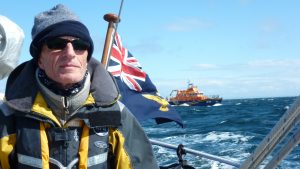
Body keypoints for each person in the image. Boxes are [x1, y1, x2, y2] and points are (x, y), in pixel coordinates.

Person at [0, 4, 159, 169]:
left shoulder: (116, 115)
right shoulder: (7, 117)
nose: (70, 53)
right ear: (40, 59)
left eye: (80, 45)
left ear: (86, 58)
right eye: (57, 44)